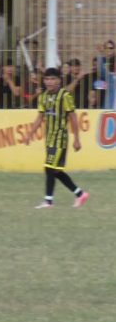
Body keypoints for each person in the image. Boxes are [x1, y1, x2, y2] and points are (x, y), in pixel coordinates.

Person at [24, 67, 88, 210]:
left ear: (59, 80)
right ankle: (80, 194)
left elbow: (73, 118)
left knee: (49, 167)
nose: (49, 82)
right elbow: (40, 117)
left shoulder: (65, 96)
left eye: (53, 79)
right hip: (49, 139)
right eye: (47, 79)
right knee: (56, 171)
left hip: (60, 139)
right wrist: (30, 134)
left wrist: (77, 139)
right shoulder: (43, 96)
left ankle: (48, 201)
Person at [93, 42, 116, 109]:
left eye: (111, 48)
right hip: (110, 110)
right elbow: (101, 69)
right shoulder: (111, 77)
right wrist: (100, 53)